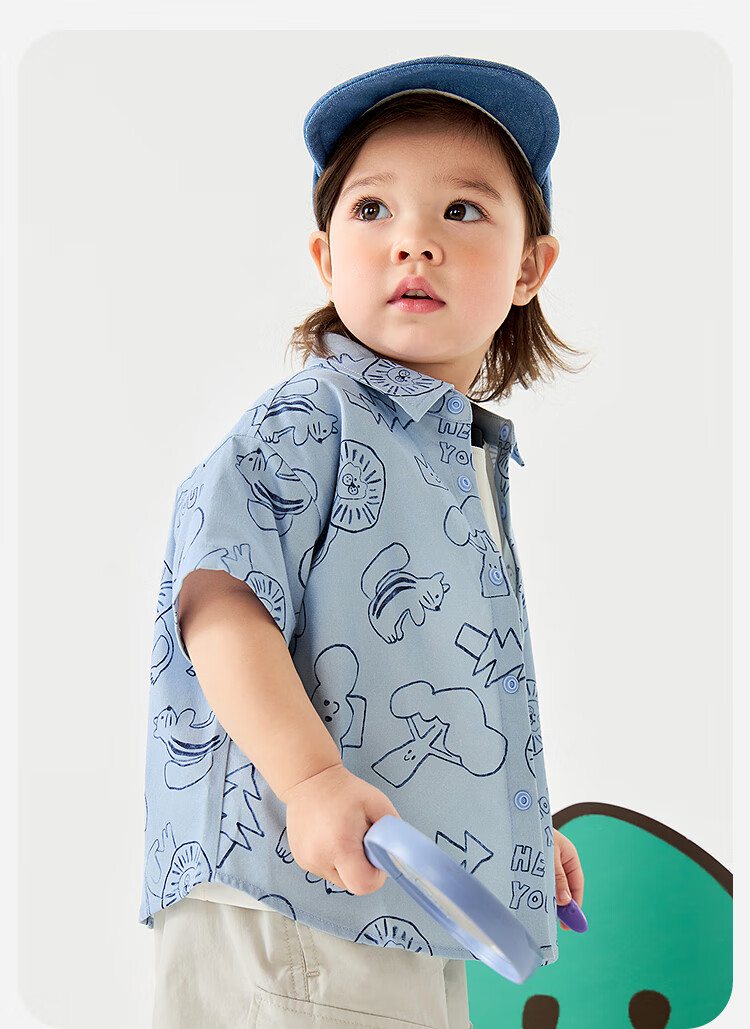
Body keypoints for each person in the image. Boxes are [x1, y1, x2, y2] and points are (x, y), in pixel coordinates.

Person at [141, 54, 587, 1029]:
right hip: (294, 895)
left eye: (461, 210)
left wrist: (507, 822)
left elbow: (438, 675)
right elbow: (220, 603)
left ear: (529, 267)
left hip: (405, 897)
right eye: (373, 209)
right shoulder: (312, 419)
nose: (413, 240)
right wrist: (308, 779)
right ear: (325, 258)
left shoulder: (454, 454)